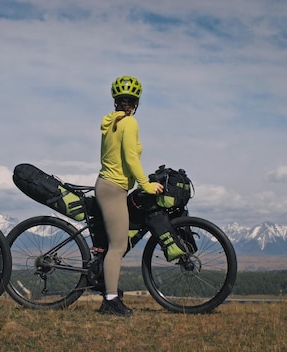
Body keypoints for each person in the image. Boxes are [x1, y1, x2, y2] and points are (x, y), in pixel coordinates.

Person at [95, 75, 186, 317]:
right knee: (118, 246)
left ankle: (106, 286)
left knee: (111, 243)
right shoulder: (129, 123)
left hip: (109, 186)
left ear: (116, 101)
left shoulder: (111, 122)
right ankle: (110, 301)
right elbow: (130, 158)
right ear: (136, 101)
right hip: (114, 188)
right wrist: (145, 184)